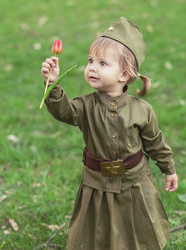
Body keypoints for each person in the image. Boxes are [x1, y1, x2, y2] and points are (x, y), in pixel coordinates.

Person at [41, 17, 178, 250]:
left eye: (103, 63)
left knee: (136, 226)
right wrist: (53, 85)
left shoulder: (141, 110)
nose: (92, 67)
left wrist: (169, 169)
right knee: (98, 229)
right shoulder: (85, 106)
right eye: (90, 60)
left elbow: (155, 143)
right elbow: (64, 111)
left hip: (134, 183)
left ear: (124, 75)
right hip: (97, 183)